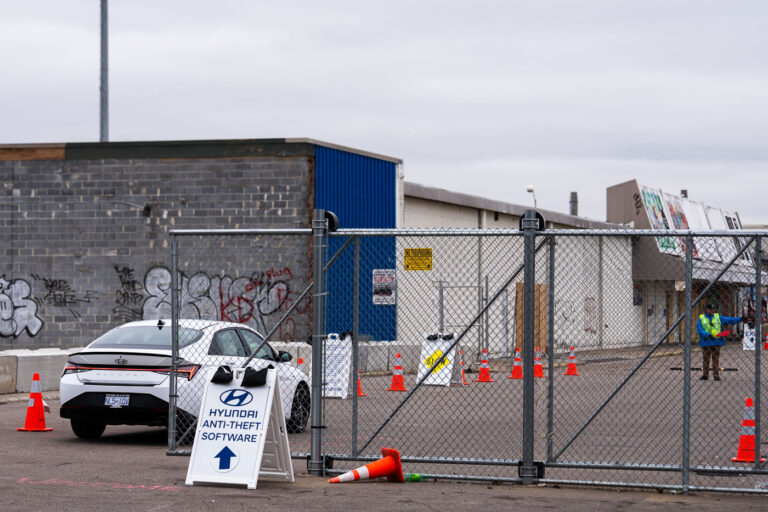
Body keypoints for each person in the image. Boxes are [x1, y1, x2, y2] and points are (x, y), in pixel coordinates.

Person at [697, 303, 742, 381]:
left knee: (715, 359)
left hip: (716, 341)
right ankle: (705, 375)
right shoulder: (701, 318)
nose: (712, 310)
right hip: (706, 342)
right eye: (710, 309)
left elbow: (730, 320)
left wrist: (740, 319)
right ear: (706, 310)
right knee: (706, 359)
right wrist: (708, 335)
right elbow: (699, 329)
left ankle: (716, 375)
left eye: (713, 309)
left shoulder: (718, 317)